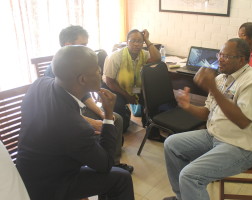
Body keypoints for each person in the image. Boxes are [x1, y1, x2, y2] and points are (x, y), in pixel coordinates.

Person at [16, 46, 134, 200]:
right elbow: (105, 164)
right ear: (82, 79)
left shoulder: (40, 83)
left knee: (99, 143)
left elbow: (58, 125)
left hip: (29, 168)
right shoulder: (74, 127)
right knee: (121, 178)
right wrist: (108, 114)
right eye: (98, 69)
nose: (101, 72)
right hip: (49, 186)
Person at [163, 38, 252, 200]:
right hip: (214, 136)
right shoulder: (221, 78)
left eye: (226, 56)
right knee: (171, 144)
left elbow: (243, 122)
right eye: (220, 54)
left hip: (242, 146)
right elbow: (207, 113)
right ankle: (183, 197)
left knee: (190, 176)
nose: (219, 59)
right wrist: (188, 106)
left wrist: (213, 88)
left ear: (241, 59)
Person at [45, 25, 133, 173]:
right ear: (68, 45)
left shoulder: (78, 66)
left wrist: (102, 113)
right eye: (83, 45)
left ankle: (113, 162)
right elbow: (63, 114)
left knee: (115, 118)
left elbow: (84, 95)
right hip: (71, 117)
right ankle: (102, 162)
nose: (87, 49)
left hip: (77, 112)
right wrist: (93, 122)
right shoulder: (55, 72)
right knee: (106, 124)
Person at [102, 29, 161, 132]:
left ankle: (150, 128)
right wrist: (127, 96)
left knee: (151, 99)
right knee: (122, 121)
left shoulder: (144, 54)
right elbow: (109, 82)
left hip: (134, 87)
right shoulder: (116, 57)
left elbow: (157, 59)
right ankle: (121, 120)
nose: (136, 44)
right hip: (115, 87)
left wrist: (147, 39)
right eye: (133, 41)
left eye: (139, 41)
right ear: (127, 41)